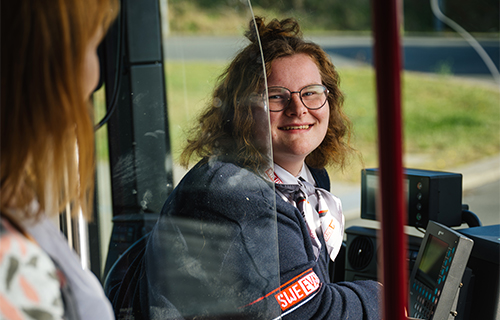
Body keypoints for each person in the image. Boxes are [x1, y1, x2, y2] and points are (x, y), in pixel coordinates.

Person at [142, 16, 382, 319]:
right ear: (242, 111)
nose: (298, 109)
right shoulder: (230, 195)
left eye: (310, 92)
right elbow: (311, 312)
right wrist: (386, 295)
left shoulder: (308, 181)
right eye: (276, 97)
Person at [1, 1, 119, 319]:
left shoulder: (17, 201)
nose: (96, 79)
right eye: (94, 46)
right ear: (45, 67)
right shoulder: (12, 260)